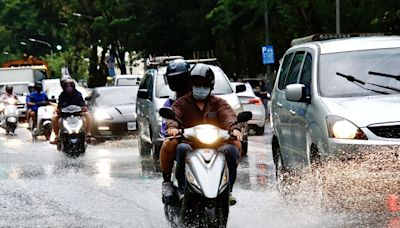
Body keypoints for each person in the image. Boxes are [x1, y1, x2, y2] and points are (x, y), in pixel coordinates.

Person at [166, 63, 242, 205]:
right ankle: (181, 189)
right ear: (191, 85)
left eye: (204, 85)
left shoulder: (219, 103)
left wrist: (234, 128)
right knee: (180, 148)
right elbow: (173, 116)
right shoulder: (181, 103)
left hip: (216, 145)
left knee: (232, 149)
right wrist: (173, 127)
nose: (200, 88)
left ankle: (228, 190)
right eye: (197, 85)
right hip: (190, 144)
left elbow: (228, 115)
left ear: (211, 86)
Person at [160, 59, 191, 204]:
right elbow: (167, 125)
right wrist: (172, 130)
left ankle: (226, 187)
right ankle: (167, 183)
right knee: (168, 143)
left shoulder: (202, 97)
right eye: (174, 79)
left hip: (205, 139)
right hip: (183, 139)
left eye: (181, 78)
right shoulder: (170, 103)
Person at [51, 77, 94, 144]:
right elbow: (59, 106)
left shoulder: (78, 94)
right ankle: (57, 136)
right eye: (67, 86)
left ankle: (88, 134)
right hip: (65, 114)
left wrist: (84, 108)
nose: (69, 87)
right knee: (54, 118)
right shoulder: (62, 96)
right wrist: (58, 110)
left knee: (88, 115)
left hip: (78, 113)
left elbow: (82, 104)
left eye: (70, 86)